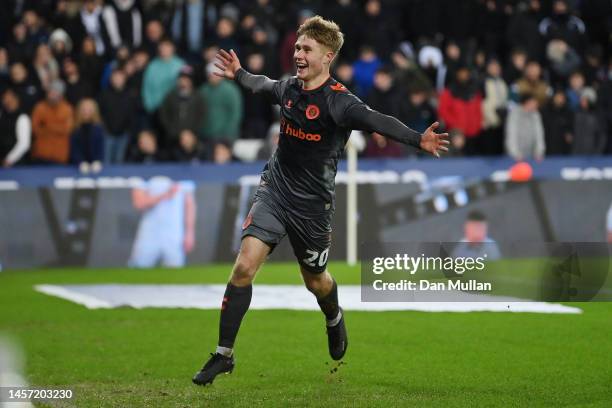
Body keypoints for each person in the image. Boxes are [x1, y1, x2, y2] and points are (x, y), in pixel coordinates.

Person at [192, 15, 448, 386]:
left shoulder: (339, 103)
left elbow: (378, 120)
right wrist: (240, 73)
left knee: (316, 282)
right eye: (297, 46)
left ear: (327, 56)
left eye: (306, 48)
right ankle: (224, 354)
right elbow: (263, 85)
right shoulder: (290, 88)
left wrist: (417, 139)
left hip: (312, 209)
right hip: (275, 191)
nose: (298, 53)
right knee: (244, 266)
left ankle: (333, 317)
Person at [128, 177, 196, 268]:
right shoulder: (143, 174)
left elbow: (189, 205)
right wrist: (165, 195)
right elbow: (139, 203)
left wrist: (189, 233)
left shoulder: (184, 173)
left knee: (175, 273)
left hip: (175, 235)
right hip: (149, 234)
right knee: (138, 269)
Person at [30, 79, 74, 164]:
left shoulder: (67, 109)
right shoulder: (39, 107)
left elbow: (67, 129)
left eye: (56, 93)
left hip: (60, 156)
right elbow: (35, 129)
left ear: (61, 95)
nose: (53, 95)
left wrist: (47, 126)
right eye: (51, 92)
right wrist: (57, 127)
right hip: (40, 154)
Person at [505, 93, 545, 161]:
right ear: (527, 103)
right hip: (514, 156)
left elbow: (539, 135)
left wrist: (539, 152)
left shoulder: (536, 115)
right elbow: (511, 135)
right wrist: (515, 154)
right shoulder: (514, 115)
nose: (536, 105)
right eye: (534, 103)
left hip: (531, 155)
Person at [69, 98, 105, 171]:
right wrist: (80, 162)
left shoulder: (98, 127)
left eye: (89, 109)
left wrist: (97, 161)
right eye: (84, 109)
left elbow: (101, 148)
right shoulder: (75, 128)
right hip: (77, 166)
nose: (86, 112)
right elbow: (74, 149)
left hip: (95, 165)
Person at [0, 88, 31, 167]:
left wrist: (9, 159)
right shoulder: (1, 115)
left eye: (9, 97)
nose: (7, 101)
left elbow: (24, 144)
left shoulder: (23, 117)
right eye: (4, 98)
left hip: (16, 164)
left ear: (16, 99)